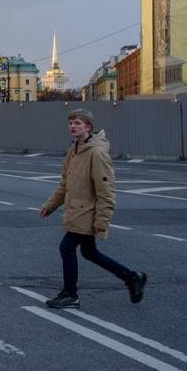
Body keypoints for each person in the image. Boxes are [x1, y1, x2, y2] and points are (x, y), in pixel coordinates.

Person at [40, 109, 147, 309]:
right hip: (77, 210)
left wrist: (101, 222)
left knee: (67, 248)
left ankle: (70, 294)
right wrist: (51, 205)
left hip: (86, 212)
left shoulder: (96, 153)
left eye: (78, 123)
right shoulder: (74, 149)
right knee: (90, 253)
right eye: (71, 122)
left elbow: (106, 191)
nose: (72, 126)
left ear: (88, 127)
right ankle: (132, 278)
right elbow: (65, 184)